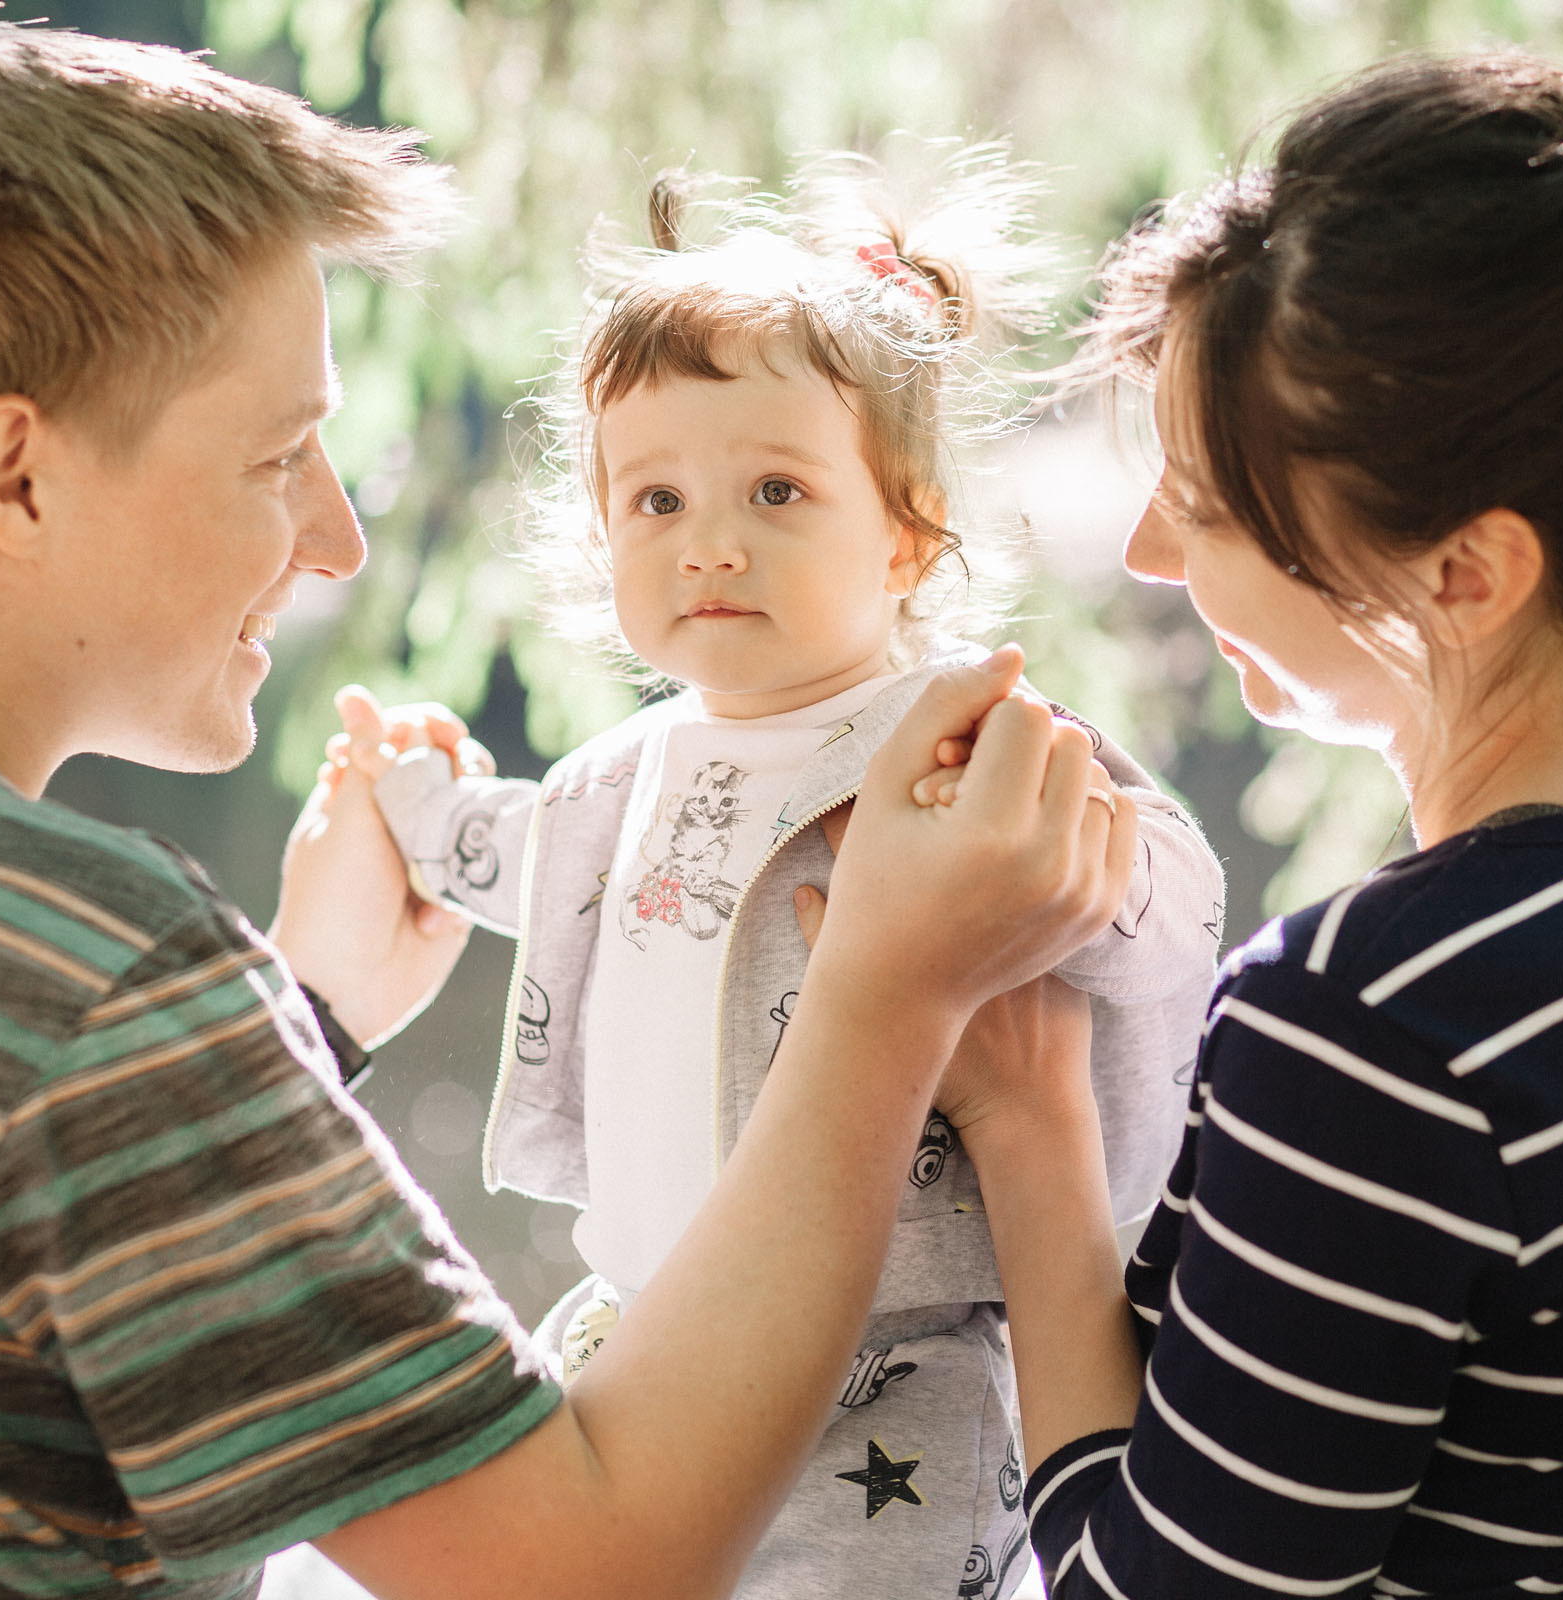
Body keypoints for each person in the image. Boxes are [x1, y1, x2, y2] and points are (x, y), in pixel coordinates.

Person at [0, 11, 1138, 1598]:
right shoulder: (97, 986)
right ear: (16, 478)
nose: (337, 540)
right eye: (283, 455)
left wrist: (299, 1028)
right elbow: (592, 1566)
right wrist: (890, 988)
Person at [939, 42, 1563, 1599]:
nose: (1149, 551)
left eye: (1210, 505)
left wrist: (1027, 1118)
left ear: (1466, 575)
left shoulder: (1367, 1030)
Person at [361, 153, 1224, 1598]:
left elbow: (1177, 898)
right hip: (649, 1323)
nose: (710, 542)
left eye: (775, 490)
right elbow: (538, 869)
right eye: (655, 502)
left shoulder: (949, 737)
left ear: (905, 531)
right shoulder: (626, 773)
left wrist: (1090, 872)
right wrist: (418, 812)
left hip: (892, 1370)